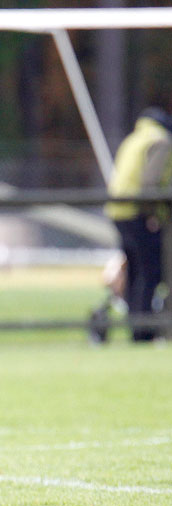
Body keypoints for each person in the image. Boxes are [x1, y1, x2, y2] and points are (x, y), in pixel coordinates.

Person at [104, 105, 172, 342]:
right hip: (138, 212)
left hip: (117, 211)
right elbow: (150, 182)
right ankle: (144, 330)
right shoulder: (160, 140)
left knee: (133, 272)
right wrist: (153, 213)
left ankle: (135, 327)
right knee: (149, 272)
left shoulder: (133, 139)